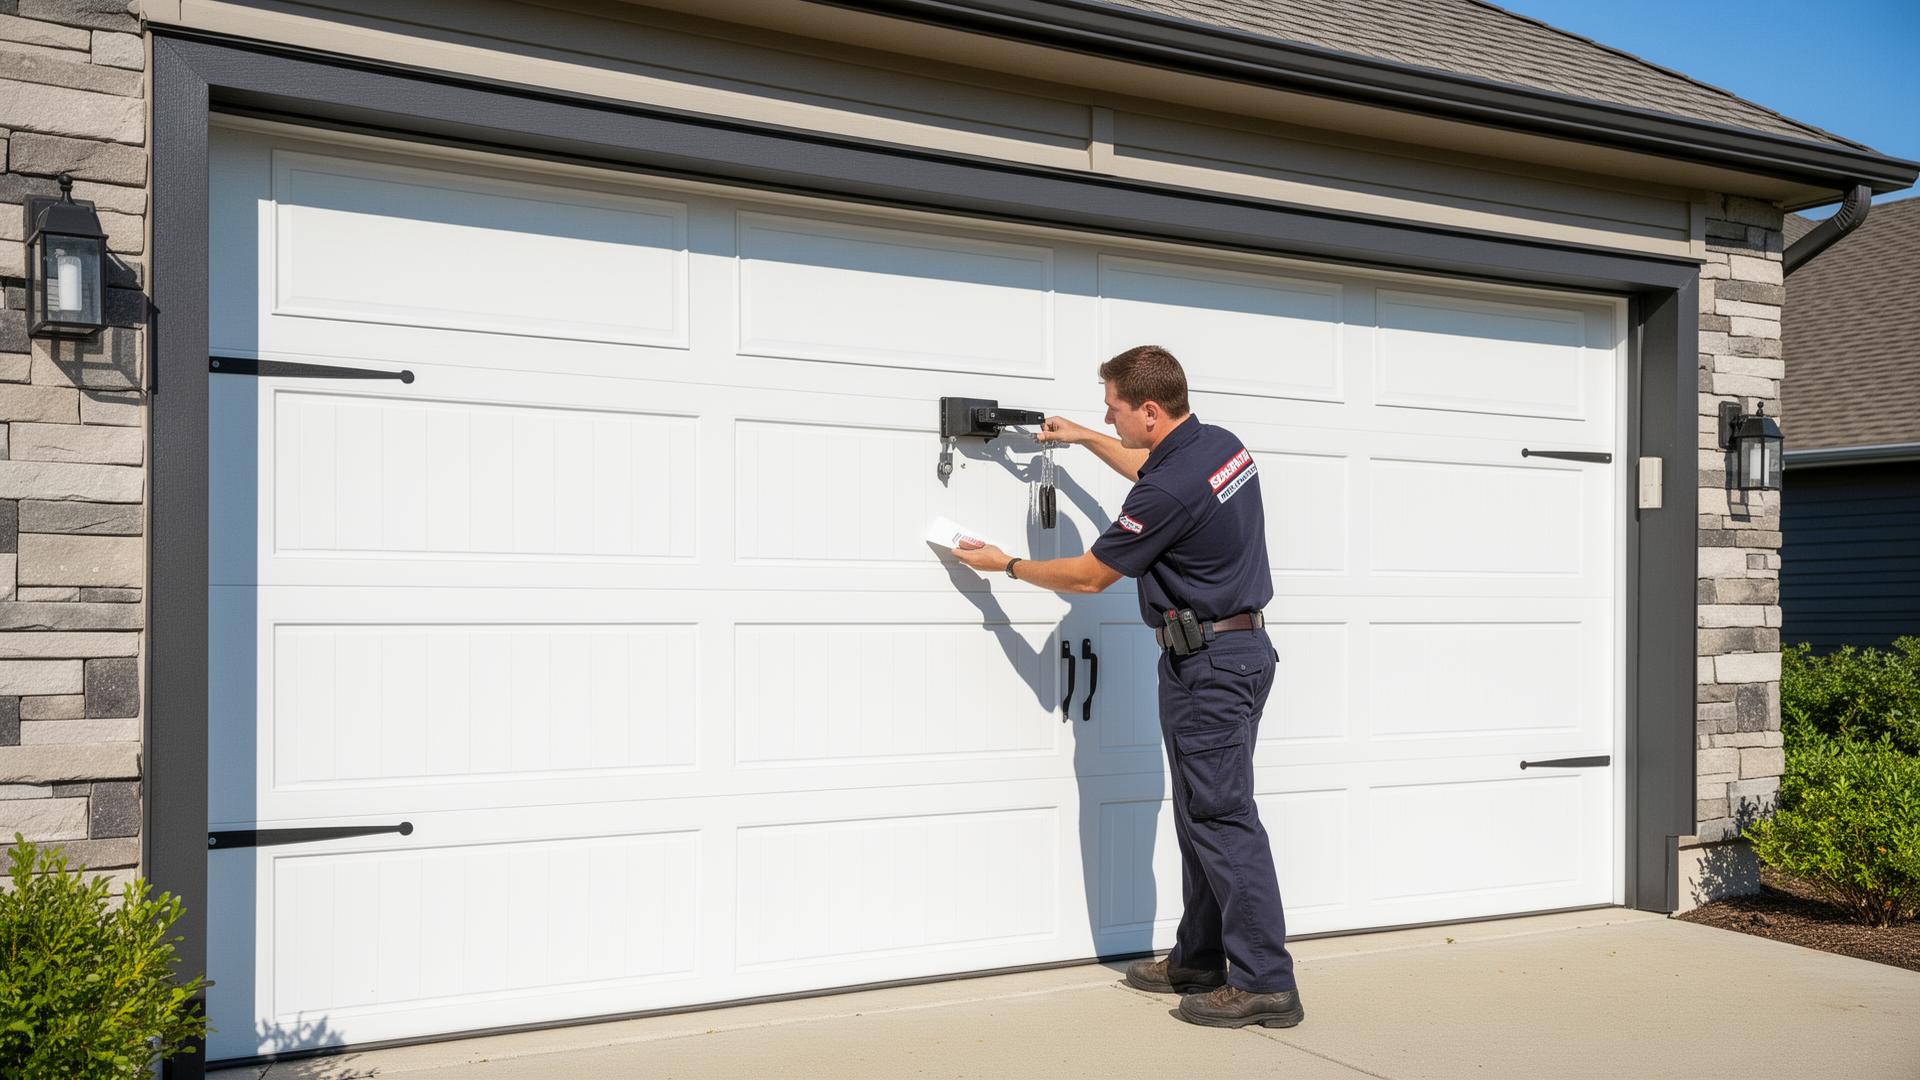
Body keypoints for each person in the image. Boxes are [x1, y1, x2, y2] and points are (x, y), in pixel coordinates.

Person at [950, 344, 1301, 1029]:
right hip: (1234, 652)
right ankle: (1199, 958)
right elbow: (1148, 465)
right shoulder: (1217, 447)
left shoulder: (1166, 490)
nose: (1106, 417)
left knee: (1222, 819)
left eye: (1111, 408)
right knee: (1204, 812)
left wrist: (1007, 565)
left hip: (1210, 668)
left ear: (1147, 409)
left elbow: (1088, 577)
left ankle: (1266, 982)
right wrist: (1082, 439)